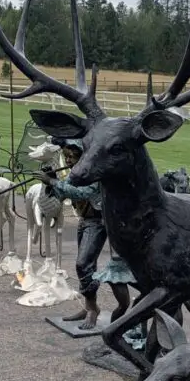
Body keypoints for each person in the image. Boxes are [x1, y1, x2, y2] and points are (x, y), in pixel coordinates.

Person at [41, 138, 140, 338]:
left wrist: (54, 182)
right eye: (66, 156)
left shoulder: (94, 172)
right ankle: (89, 306)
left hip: (100, 221)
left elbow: (81, 193)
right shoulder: (74, 173)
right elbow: (60, 195)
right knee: (86, 266)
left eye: (72, 156)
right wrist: (51, 181)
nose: (68, 160)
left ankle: (93, 310)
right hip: (85, 220)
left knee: (83, 263)